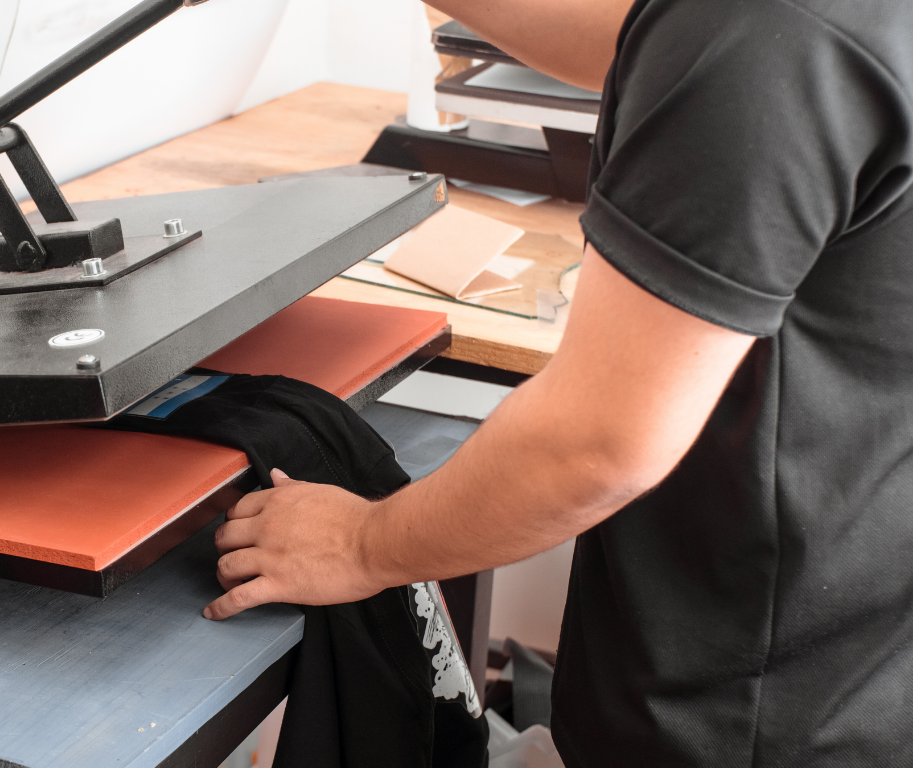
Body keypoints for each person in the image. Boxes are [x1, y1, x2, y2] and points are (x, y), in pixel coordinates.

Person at [204, 0, 913, 764]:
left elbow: (598, 444)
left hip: (750, 718)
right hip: (860, 658)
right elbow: (640, 36)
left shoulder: (761, 27)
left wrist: (363, 543)